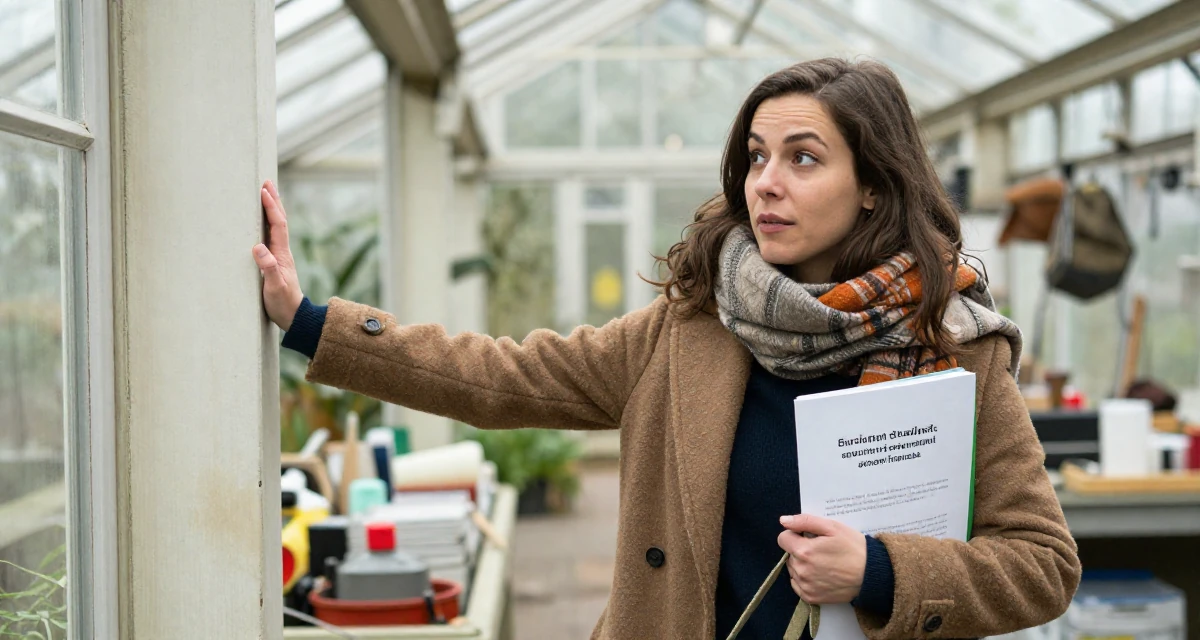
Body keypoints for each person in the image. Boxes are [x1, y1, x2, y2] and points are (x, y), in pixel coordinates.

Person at [253, 58, 1079, 639]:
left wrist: (880, 571)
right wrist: (309, 321)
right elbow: (500, 374)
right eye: (757, 157)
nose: (767, 181)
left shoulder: (959, 346)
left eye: (803, 158)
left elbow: (1042, 564)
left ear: (872, 185)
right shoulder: (689, 329)